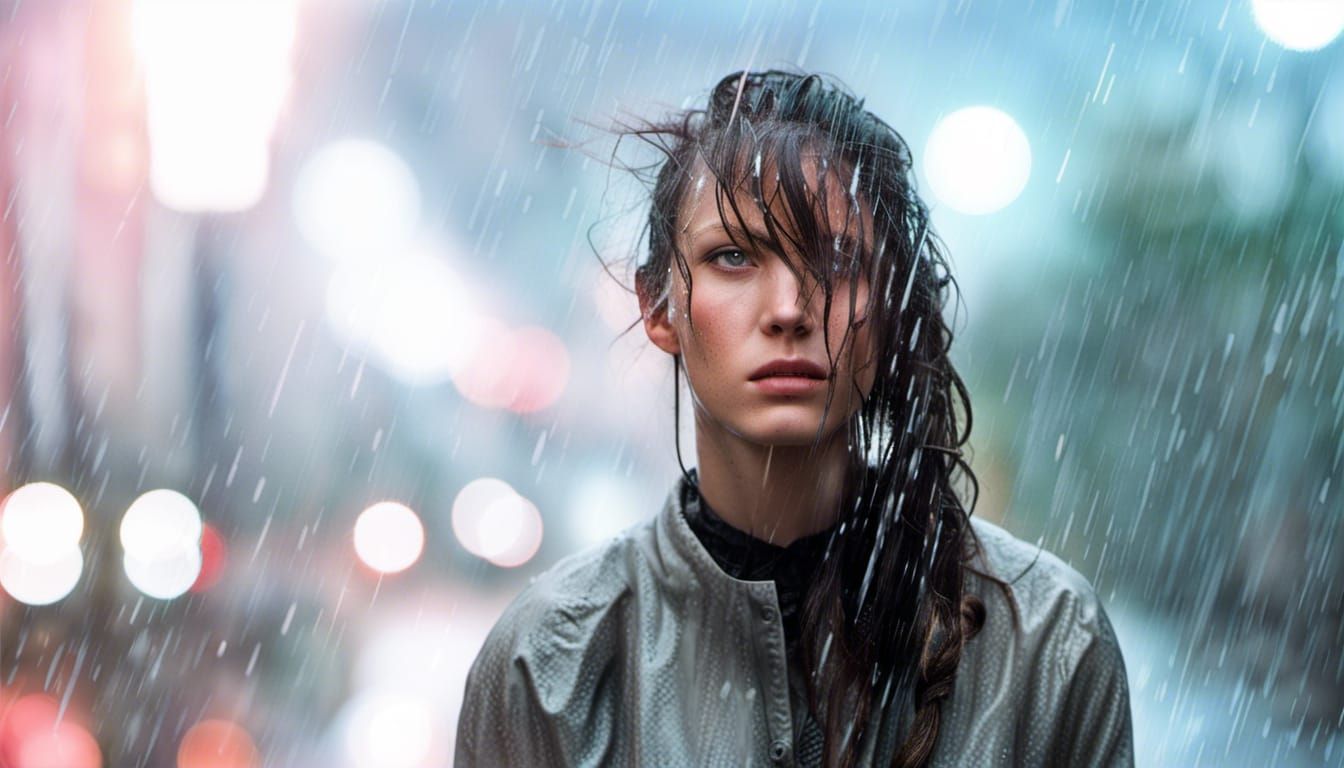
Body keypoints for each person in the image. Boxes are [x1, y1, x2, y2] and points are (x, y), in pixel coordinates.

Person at [455, 70, 1134, 767]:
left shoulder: (1048, 643)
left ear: (890, 307)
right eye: (732, 257)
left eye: (836, 260)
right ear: (659, 307)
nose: (788, 310)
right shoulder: (549, 664)